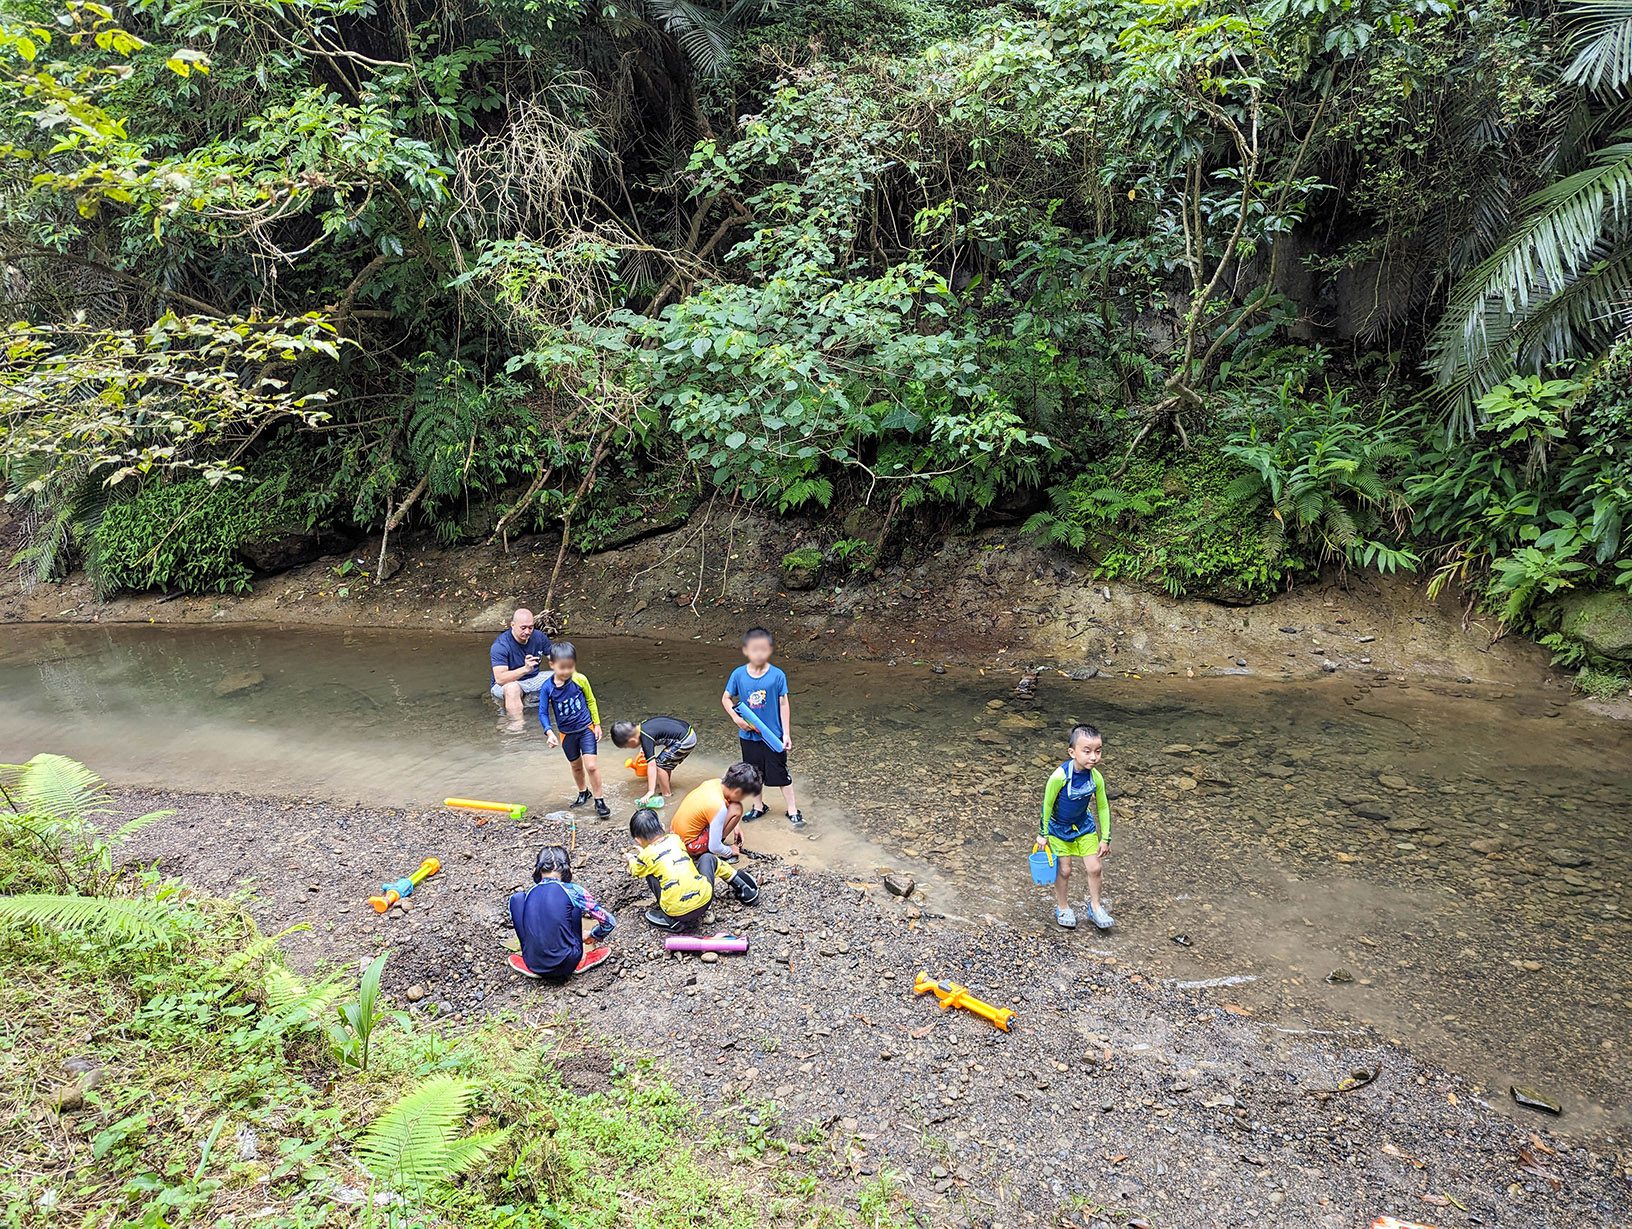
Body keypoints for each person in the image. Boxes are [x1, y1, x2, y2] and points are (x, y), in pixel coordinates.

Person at [625, 806, 758, 932]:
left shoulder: (644, 855)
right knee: (708, 858)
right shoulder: (675, 839)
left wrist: (631, 858)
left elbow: (635, 871)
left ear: (638, 840)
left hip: (677, 913)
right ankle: (746, 888)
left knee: (649, 874)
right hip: (705, 900)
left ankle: (670, 920)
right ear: (662, 826)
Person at [1035, 723, 1114, 930]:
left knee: (1095, 867)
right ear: (1072, 752)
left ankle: (1095, 907)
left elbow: (1103, 806)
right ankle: (1062, 907)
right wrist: (1042, 834)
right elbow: (1047, 804)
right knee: (1065, 869)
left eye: (1098, 751)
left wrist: (1105, 838)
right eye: (1087, 751)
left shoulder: (1096, 777)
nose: (1093, 757)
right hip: (1058, 829)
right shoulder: (1059, 777)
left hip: (1083, 827)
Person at [721, 626, 803, 826]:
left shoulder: (777, 675)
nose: (759, 653)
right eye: (754, 649)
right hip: (748, 736)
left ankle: (792, 809)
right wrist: (736, 718)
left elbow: (784, 703)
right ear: (746, 650)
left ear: (770, 650)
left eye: (763, 649)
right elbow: (726, 698)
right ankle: (758, 807)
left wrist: (786, 733)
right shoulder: (738, 674)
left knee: (781, 773)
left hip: (772, 735)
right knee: (753, 774)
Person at [507, 844, 616, 980]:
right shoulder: (573, 891)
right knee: (573, 904)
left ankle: (529, 956)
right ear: (566, 868)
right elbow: (609, 922)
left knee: (517, 899)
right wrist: (594, 934)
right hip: (569, 963)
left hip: (533, 963)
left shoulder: (531, 892)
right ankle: (582, 960)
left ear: (539, 868)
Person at [538, 642, 610, 818]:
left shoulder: (580, 679)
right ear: (552, 665)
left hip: (586, 728)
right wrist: (549, 732)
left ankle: (599, 800)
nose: (567, 671)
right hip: (566, 733)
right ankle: (583, 792)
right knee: (576, 766)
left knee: (591, 766)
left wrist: (597, 724)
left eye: (570, 667)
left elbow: (591, 701)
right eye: (562, 668)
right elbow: (542, 712)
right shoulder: (547, 687)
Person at [668, 762, 762, 862]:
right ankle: (703, 853)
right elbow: (714, 847)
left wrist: (736, 826)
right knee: (736, 808)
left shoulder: (714, 783)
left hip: (675, 836)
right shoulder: (718, 806)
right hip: (689, 846)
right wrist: (730, 850)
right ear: (737, 792)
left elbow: (723, 803)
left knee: (732, 805)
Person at [609, 715, 698, 802]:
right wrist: (643, 751)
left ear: (632, 741)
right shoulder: (643, 727)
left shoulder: (645, 737)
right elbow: (652, 738)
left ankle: (667, 795)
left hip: (685, 741)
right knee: (665, 762)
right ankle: (665, 786)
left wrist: (650, 791)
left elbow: (652, 765)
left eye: (627, 746)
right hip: (687, 731)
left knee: (659, 765)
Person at [490, 609, 551, 731]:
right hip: (506, 684)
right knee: (513, 688)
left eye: (530, 627)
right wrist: (525, 669)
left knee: (567, 676)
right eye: (523, 628)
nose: (527, 632)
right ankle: (517, 726)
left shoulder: (539, 637)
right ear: (512, 625)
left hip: (533, 679)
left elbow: (556, 659)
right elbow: (500, 679)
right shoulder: (501, 645)